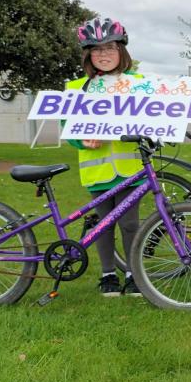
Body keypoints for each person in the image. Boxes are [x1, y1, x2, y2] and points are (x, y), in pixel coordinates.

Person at [67, 17, 142, 297]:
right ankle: (108, 274)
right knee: (104, 223)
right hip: (97, 171)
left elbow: (154, 115)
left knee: (130, 223)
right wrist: (82, 140)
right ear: (89, 55)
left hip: (129, 169)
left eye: (110, 47)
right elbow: (67, 126)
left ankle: (134, 274)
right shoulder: (76, 88)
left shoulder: (138, 83)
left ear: (121, 50)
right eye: (97, 50)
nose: (104, 54)